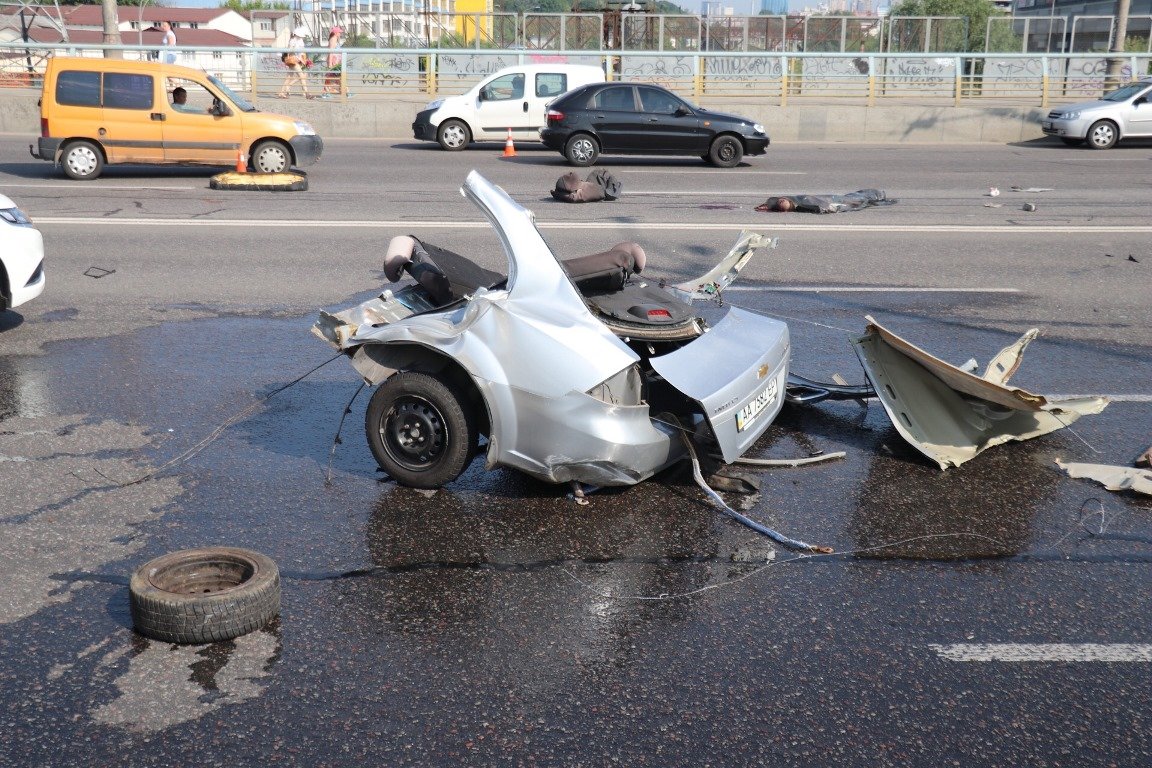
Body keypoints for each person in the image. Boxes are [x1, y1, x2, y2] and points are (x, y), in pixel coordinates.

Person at [278, 26, 313, 100]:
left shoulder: (297, 40)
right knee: (301, 76)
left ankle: (282, 92)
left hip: (294, 60)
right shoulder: (293, 41)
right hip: (294, 60)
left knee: (289, 77)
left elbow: (297, 52)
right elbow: (290, 51)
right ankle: (307, 93)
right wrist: (299, 57)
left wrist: (300, 58)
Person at [323, 27, 344, 97]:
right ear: (335, 33)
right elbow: (331, 52)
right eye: (339, 32)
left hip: (336, 61)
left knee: (336, 76)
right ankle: (344, 91)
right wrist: (330, 63)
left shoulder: (335, 40)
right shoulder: (333, 40)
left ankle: (343, 91)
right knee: (335, 76)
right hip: (334, 61)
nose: (340, 34)